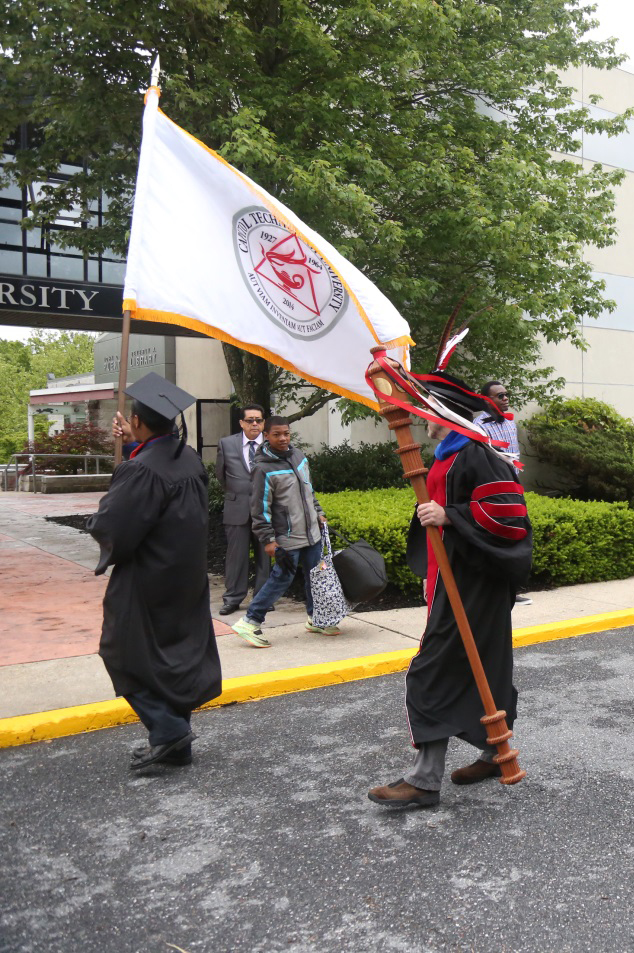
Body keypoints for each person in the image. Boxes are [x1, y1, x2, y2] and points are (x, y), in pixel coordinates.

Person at [368, 371, 532, 808]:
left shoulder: (479, 456)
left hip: (477, 581)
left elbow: (509, 515)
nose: (424, 420)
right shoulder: (448, 454)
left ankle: (424, 781)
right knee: (480, 664)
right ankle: (495, 754)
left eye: (429, 412)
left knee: (432, 668)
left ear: (448, 414)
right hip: (455, 577)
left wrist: (451, 516)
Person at [88, 372, 222, 769]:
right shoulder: (187, 458)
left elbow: (115, 526)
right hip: (184, 575)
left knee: (121, 651)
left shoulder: (142, 468)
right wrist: (134, 445)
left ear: (140, 421)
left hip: (147, 579)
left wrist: (103, 515)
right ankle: (177, 746)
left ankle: (168, 730)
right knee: (174, 657)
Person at [231, 416, 337, 647]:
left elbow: (309, 490)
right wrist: (268, 540)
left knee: (314, 576)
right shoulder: (262, 468)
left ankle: (316, 619)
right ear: (266, 436)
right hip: (286, 537)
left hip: (312, 533)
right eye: (277, 434)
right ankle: (250, 621)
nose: (283, 438)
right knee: (282, 577)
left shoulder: (298, 456)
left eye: (286, 433)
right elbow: (259, 509)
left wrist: (318, 512)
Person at [473, 381, 532, 605]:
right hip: (493, 491)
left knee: (516, 537)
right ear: (487, 400)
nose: (506, 398)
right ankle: (497, 590)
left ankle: (511, 590)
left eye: (507, 395)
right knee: (498, 539)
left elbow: (514, 457)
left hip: (513, 488)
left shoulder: (510, 424)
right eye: (500, 396)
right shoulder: (478, 426)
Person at [215, 404, 271, 615]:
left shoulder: (270, 444)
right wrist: (237, 492)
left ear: (264, 423)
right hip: (236, 507)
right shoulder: (226, 444)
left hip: (265, 510)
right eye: (250, 420)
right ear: (241, 423)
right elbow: (221, 475)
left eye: (258, 420)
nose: (254, 424)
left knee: (265, 556)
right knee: (236, 556)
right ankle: (232, 598)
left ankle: (263, 597)